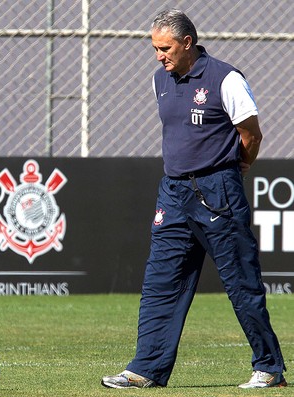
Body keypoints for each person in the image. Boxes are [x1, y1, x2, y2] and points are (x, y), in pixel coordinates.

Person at [101, 9, 287, 389]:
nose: (158, 56)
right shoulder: (160, 81)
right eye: (154, 48)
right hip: (172, 191)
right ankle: (146, 369)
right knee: (160, 281)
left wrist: (236, 171)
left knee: (240, 281)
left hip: (218, 191)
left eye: (165, 48)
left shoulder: (226, 78)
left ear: (188, 43)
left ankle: (268, 368)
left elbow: (250, 134)